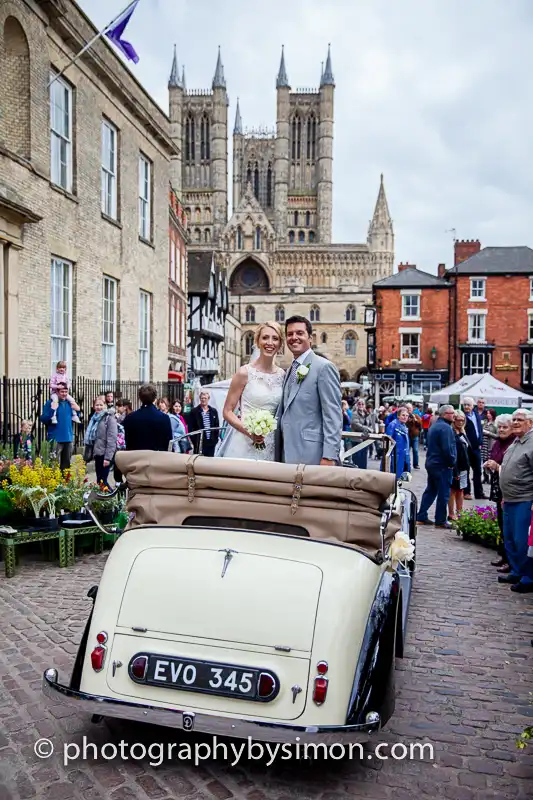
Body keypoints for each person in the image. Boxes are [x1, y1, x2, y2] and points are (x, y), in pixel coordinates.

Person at [276, 315, 342, 466]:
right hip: (286, 455)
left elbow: (333, 415)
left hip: (313, 456)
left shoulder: (324, 367)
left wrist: (330, 456)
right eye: (290, 334)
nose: (294, 337)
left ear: (310, 338)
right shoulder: (290, 369)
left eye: (300, 333)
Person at [219, 322, 284, 461]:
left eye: (275, 338)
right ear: (257, 341)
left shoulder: (282, 375)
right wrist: (250, 432)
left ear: (280, 344)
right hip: (244, 442)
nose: (270, 342)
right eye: (265, 337)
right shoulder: (244, 372)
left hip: (272, 444)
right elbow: (227, 411)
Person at [493, 409, 533, 593]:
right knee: (510, 538)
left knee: (521, 540)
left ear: (530, 423)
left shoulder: (531, 443)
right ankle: (516, 571)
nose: (515, 422)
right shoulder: (516, 441)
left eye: (520, 420)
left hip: (524, 499)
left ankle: (528, 577)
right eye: (514, 419)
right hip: (508, 498)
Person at [416, 404, 457, 529]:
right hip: (442, 465)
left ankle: (421, 516)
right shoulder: (446, 428)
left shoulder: (434, 426)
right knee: (443, 493)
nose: (454, 415)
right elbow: (447, 448)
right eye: (452, 413)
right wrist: (451, 462)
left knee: (431, 490)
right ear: (445, 414)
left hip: (432, 463)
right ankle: (440, 520)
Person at [484, 414, 515, 573]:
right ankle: (503, 555)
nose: (502, 430)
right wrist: (489, 465)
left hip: (509, 489)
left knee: (509, 526)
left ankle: (511, 560)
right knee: (502, 524)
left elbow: (511, 467)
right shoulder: (498, 443)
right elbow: (494, 458)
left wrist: (497, 467)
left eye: (505, 427)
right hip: (498, 487)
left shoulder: (512, 444)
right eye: (500, 427)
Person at [40, 383, 79, 471]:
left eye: (66, 391)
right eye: (62, 391)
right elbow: (43, 419)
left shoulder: (70, 403)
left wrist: (78, 410)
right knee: (53, 464)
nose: (64, 393)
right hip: (55, 438)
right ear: (57, 392)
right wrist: (52, 409)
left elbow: (75, 417)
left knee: (66, 465)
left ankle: (65, 483)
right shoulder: (50, 403)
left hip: (68, 438)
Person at [123, 384, 172, 452]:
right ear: (155, 398)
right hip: (157, 457)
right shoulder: (164, 418)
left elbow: (127, 440)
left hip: (135, 458)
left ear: (140, 398)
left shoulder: (130, 418)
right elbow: (168, 441)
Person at [83, 395, 118, 488]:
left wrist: (108, 458)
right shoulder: (94, 419)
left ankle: (110, 498)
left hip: (105, 454)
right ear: (93, 406)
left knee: (103, 481)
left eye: (101, 405)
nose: (99, 407)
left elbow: (112, 439)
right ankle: (102, 500)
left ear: (105, 406)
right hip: (97, 453)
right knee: (99, 481)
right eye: (97, 405)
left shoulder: (109, 418)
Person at [448, 411, 470, 521]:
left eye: (462, 420)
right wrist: (455, 470)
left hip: (464, 467)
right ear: (454, 420)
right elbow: (452, 452)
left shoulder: (462, 432)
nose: (460, 422)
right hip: (455, 466)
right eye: (458, 420)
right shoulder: (451, 432)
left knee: (461, 490)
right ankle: (451, 513)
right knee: (453, 490)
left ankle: (460, 512)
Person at [462, 396, 485, 500]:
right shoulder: (462, 416)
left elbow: (479, 429)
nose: (466, 407)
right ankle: (466, 492)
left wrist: (480, 441)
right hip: (466, 447)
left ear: (473, 406)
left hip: (476, 447)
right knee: (466, 470)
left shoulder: (476, 414)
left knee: (478, 471)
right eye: (465, 405)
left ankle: (479, 493)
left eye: (468, 405)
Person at [189, 391, 220, 457]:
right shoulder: (194, 411)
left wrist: (215, 440)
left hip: (211, 442)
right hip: (199, 442)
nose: (203, 400)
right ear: (200, 399)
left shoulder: (213, 411)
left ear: (208, 399)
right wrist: (195, 441)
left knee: (210, 462)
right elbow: (191, 428)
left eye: (205, 398)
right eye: (202, 398)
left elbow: (216, 426)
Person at [350, 398, 376, 469]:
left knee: (364, 458)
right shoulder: (354, 414)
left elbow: (371, 423)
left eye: (362, 404)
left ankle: (363, 473)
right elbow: (355, 425)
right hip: (356, 439)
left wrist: (371, 429)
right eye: (359, 404)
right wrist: (367, 428)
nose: (361, 405)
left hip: (365, 439)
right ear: (357, 405)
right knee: (356, 459)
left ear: (365, 405)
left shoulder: (367, 414)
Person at [388, 406, 411, 479]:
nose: (405, 417)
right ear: (398, 416)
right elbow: (388, 440)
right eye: (403, 415)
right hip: (395, 456)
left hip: (403, 456)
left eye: (407, 415)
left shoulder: (404, 426)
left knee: (400, 479)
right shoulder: (393, 425)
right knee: (393, 479)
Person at [481, 408, 498, 484]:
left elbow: (497, 436)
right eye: (487, 413)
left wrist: (487, 433)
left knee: (490, 461)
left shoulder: (495, 424)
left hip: (491, 445)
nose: (488, 415)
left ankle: (492, 477)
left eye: (490, 414)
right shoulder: (485, 422)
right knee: (484, 461)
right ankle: (485, 477)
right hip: (484, 445)